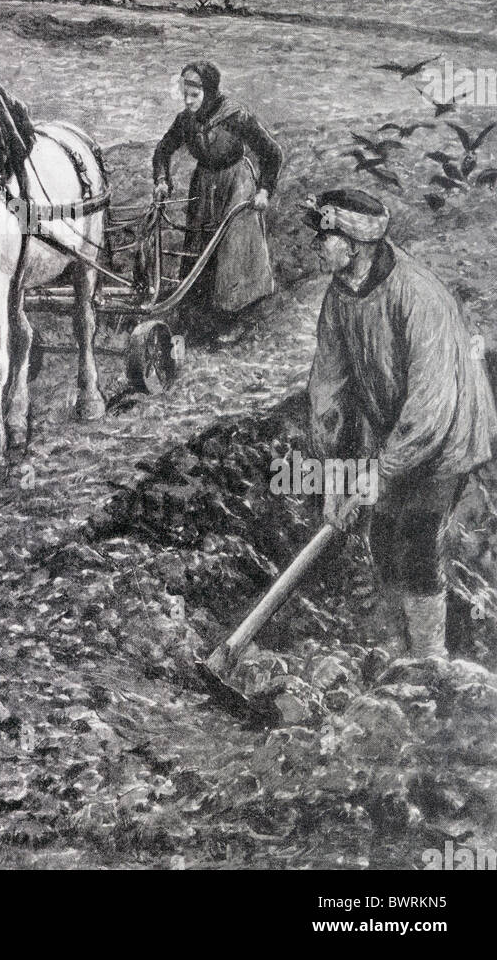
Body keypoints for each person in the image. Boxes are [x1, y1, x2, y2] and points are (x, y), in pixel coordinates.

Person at [305, 187, 497, 659]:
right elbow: (328, 388)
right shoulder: (338, 299)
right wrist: (335, 476)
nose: (317, 245)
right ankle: (401, 651)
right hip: (393, 433)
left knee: (416, 536)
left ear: (356, 243)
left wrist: (374, 475)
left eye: (326, 236)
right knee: (382, 538)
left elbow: (430, 409)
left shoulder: (417, 294)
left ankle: (431, 660)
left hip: (446, 430)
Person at [152, 61, 282, 343]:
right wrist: (162, 180)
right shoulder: (186, 120)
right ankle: (198, 315)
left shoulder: (236, 115)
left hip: (236, 183)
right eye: (185, 94)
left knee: (233, 252)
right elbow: (163, 150)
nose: (188, 101)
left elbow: (272, 154)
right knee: (199, 247)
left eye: (194, 95)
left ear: (209, 92)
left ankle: (236, 318)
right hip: (205, 184)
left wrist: (263, 191)